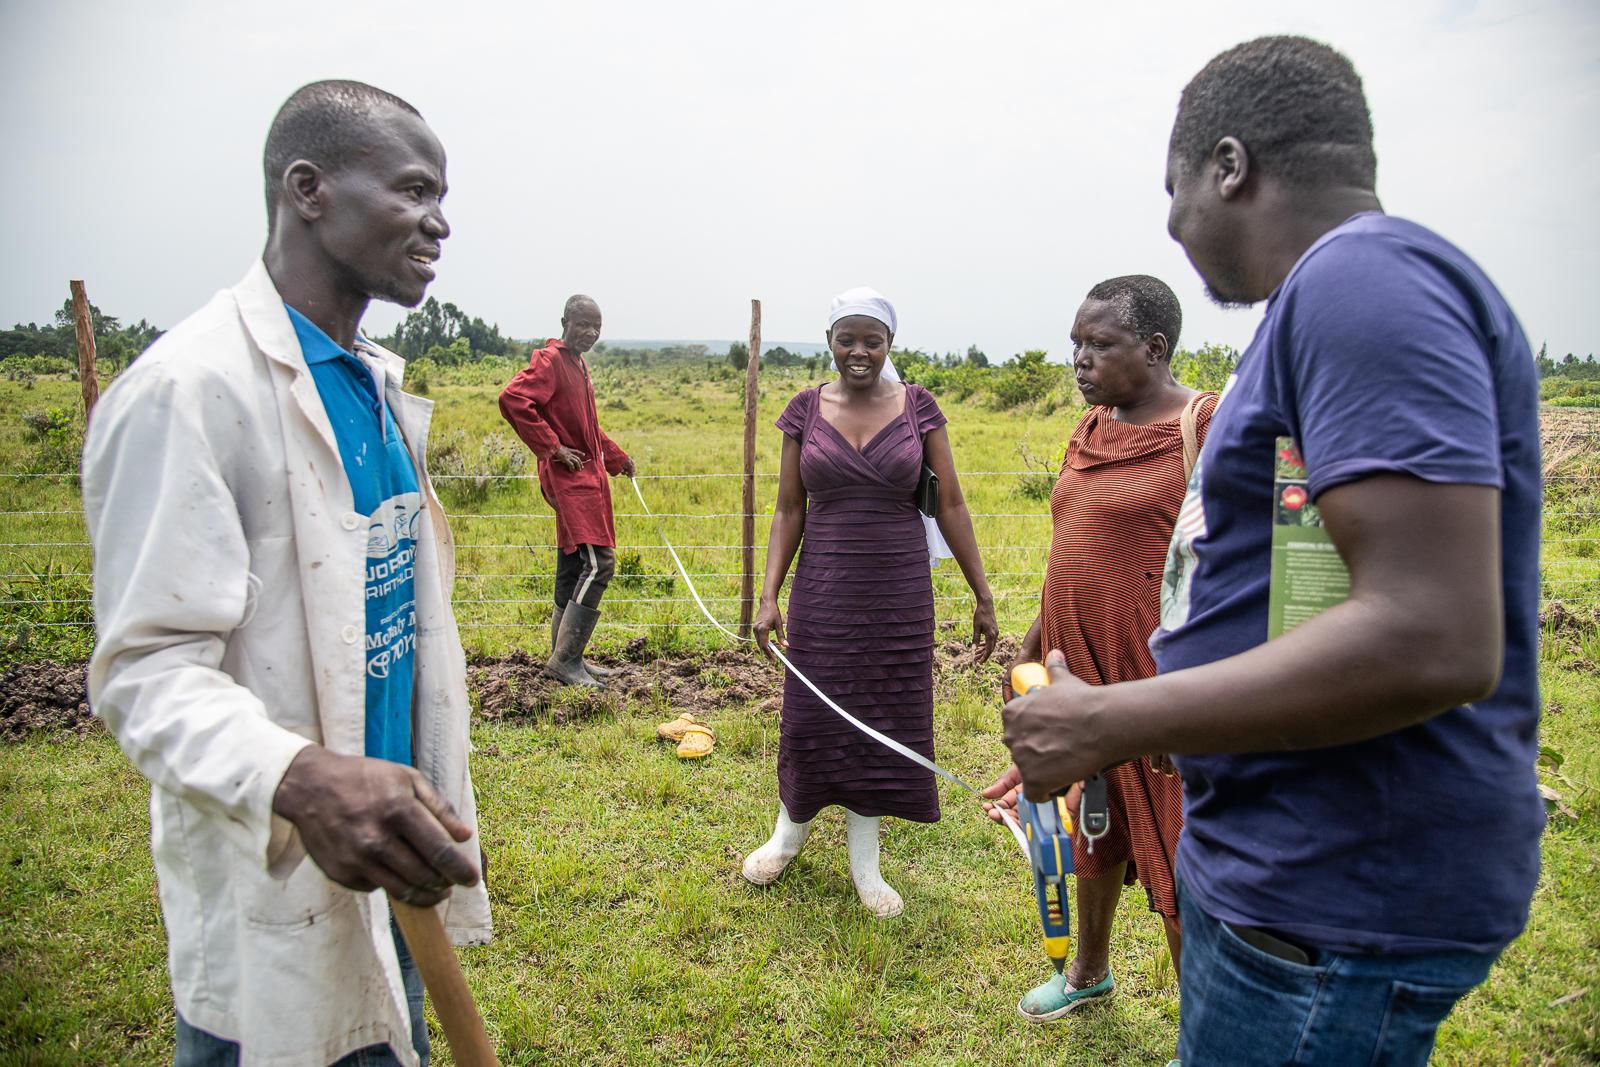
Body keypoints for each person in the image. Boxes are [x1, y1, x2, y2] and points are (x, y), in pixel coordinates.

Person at [1001, 36, 1543, 1066]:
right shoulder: (1320, 307)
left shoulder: (1363, 280)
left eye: (1173, 189)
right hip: (1293, 867)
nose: (1172, 222)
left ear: (1229, 165)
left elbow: (1431, 635)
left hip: (1334, 894)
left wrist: (1110, 717)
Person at [82, 81, 488, 1067]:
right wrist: (301, 778)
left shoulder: (369, 381)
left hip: (390, 863)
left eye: (445, 199)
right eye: (414, 190)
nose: (440, 224)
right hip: (278, 880)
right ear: (307, 189)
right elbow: (143, 672)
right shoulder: (188, 392)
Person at [983, 275, 1216, 1022]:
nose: (1079, 359)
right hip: (1075, 673)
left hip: (1157, 692)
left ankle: (1203, 1025)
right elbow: (1067, 554)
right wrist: (1032, 652)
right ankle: (1088, 971)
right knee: (1091, 834)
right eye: (1075, 344)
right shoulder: (1089, 430)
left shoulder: (1204, 427)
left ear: (1154, 349)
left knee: (1183, 863)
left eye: (1098, 344)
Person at [747, 287, 998, 917]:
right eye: (846, 339)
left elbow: (952, 503)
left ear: (890, 345)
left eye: (873, 341)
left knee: (881, 717)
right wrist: (769, 593)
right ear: (829, 341)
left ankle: (867, 865)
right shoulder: (804, 409)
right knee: (811, 714)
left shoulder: (919, 406)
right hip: (825, 588)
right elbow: (788, 507)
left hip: (897, 592)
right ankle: (789, 831)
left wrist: (982, 592)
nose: (859, 352)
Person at [498, 295, 635, 688]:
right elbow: (513, 399)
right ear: (564, 322)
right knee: (600, 564)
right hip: (570, 480)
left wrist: (616, 458)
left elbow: (588, 428)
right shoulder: (550, 361)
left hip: (588, 478)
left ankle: (568, 656)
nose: (590, 333)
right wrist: (552, 447)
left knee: (575, 563)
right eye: (583, 325)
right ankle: (566, 660)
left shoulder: (578, 363)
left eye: (597, 327)